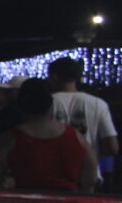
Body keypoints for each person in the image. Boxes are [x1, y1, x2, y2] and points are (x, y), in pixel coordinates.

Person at [0, 78, 95, 192]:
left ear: (21, 104)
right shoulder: (75, 136)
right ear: (50, 104)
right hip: (68, 202)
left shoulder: (9, 139)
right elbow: (90, 179)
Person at [49, 56, 117, 185]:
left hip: (54, 175)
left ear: (55, 77)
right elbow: (112, 147)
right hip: (89, 175)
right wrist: (93, 152)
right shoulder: (98, 104)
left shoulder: (47, 103)